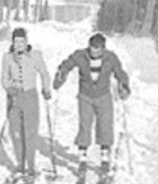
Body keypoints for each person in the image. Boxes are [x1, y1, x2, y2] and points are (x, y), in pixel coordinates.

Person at [53, 31, 131, 174]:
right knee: (85, 126)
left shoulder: (110, 58)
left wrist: (124, 85)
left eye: (97, 48)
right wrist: (61, 75)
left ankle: (105, 160)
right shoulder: (80, 55)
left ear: (103, 48)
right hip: (85, 97)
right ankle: (82, 160)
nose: (94, 51)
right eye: (92, 47)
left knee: (105, 126)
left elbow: (120, 73)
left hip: (104, 96)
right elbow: (67, 64)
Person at [1, 26, 53, 180]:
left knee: (30, 132)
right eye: (16, 41)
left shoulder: (35, 55)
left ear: (26, 41)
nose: (19, 44)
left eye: (21, 41)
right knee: (16, 133)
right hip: (14, 98)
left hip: (30, 97)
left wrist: (46, 88)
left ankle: (31, 166)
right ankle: (20, 164)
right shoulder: (7, 57)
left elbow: (44, 73)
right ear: (12, 42)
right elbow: (4, 77)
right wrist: (9, 88)